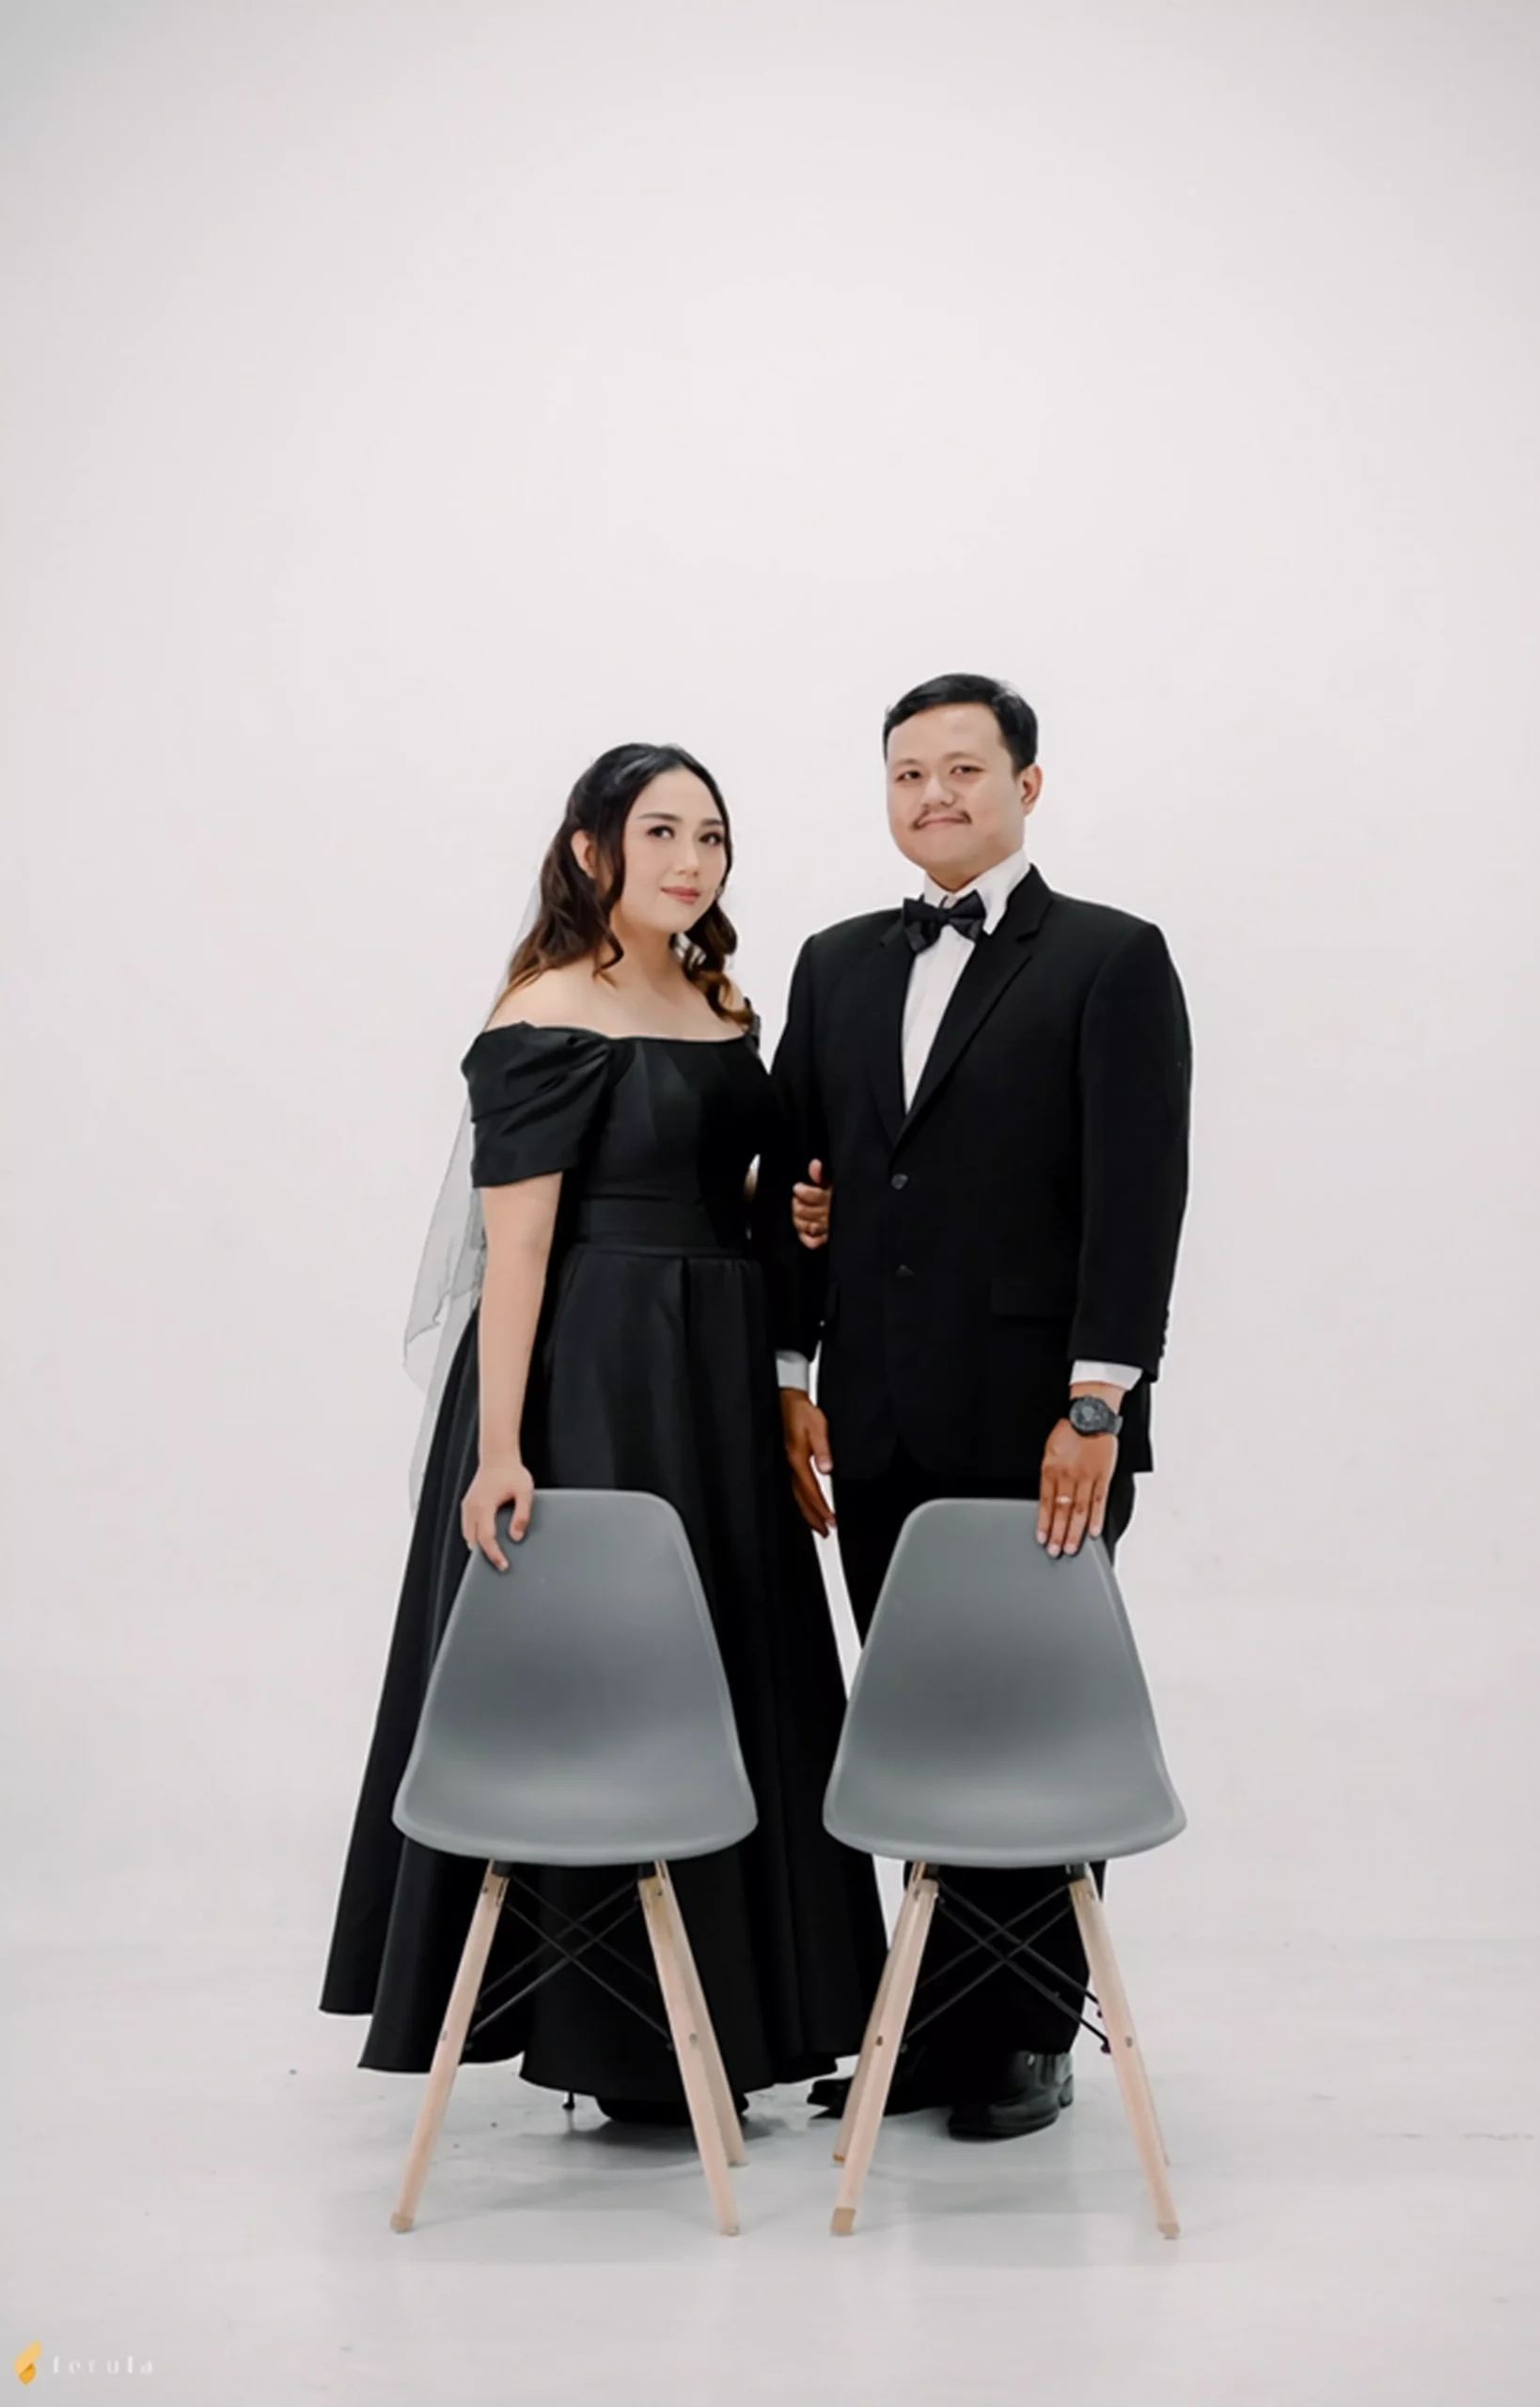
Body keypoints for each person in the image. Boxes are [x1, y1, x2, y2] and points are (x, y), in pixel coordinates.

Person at [319, 742, 888, 2120]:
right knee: (626, 1677)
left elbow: (716, 1180)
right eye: (661, 833)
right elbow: (517, 1252)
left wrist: (786, 1216)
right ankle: (617, 2040)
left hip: (718, 1370)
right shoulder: (546, 1007)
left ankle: (746, 2022)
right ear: (592, 851)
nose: (692, 861)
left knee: (733, 1654)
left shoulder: (717, 997)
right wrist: (500, 1449)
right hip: (598, 1373)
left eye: (712, 835)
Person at [756, 671, 1192, 2143]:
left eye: (961, 768)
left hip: (1038, 1425)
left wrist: (1099, 1402)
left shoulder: (1111, 958)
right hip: (873, 1415)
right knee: (923, 1717)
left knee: (1031, 1721)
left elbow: (1138, 1196)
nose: (932, 795)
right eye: (907, 773)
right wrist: (792, 1376)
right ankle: (938, 2033)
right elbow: (801, 1181)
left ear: (1026, 785)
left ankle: (1029, 2036)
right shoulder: (832, 964)